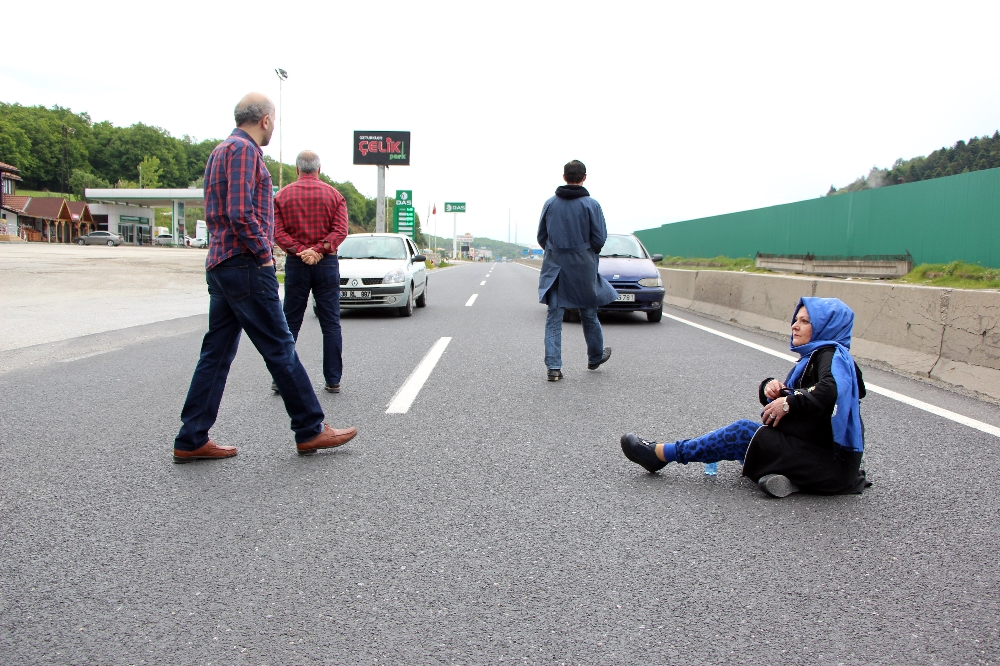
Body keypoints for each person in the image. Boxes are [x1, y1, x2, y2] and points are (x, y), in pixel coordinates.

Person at [172, 93, 357, 463]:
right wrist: (263, 255)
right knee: (280, 345)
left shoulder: (219, 151)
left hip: (221, 264)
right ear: (266, 120)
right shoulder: (244, 152)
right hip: (244, 265)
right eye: (274, 120)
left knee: (217, 353)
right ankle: (310, 428)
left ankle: (191, 436)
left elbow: (221, 213)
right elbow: (241, 212)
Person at [620, 297, 871, 498]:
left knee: (743, 434)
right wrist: (771, 390)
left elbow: (828, 391)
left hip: (830, 466)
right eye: (796, 319)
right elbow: (812, 405)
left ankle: (661, 454)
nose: (794, 325)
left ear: (827, 326)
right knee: (753, 442)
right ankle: (789, 480)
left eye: (805, 321)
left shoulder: (831, 354)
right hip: (827, 463)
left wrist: (788, 401)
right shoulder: (818, 358)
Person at [271, 150, 347, 395]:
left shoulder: (281, 196)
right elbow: (340, 231)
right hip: (326, 264)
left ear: (296, 169)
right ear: (319, 169)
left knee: (289, 322)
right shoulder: (335, 196)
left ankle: (281, 379)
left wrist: (302, 251)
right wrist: (318, 250)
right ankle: (333, 379)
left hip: (296, 263)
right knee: (330, 324)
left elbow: (278, 232)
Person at [537, 160, 617, 381]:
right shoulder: (592, 205)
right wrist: (586, 254)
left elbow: (541, 237)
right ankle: (595, 357)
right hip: (583, 265)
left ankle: (553, 368)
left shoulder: (550, 204)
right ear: (584, 177)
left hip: (555, 265)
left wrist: (557, 252)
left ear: (564, 177)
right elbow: (599, 239)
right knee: (589, 313)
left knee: (554, 316)